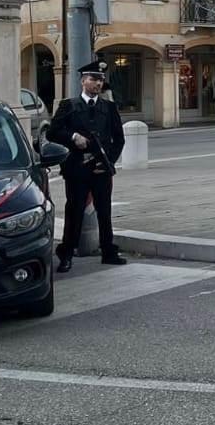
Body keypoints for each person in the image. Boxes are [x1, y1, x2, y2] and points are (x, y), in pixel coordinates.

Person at [51, 59, 128, 272]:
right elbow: (53, 132)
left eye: (101, 80)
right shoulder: (69, 105)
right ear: (83, 81)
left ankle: (108, 252)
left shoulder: (109, 108)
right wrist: (73, 136)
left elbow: (118, 139)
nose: (98, 84)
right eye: (94, 79)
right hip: (77, 168)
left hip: (101, 169)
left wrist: (108, 162)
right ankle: (66, 254)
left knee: (104, 211)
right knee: (74, 211)